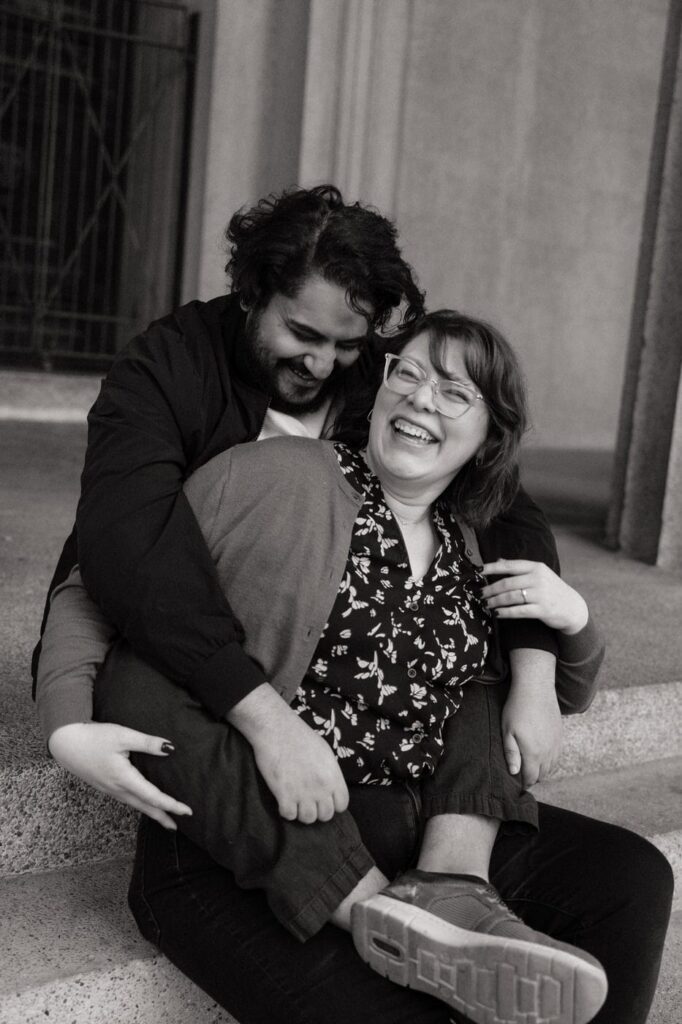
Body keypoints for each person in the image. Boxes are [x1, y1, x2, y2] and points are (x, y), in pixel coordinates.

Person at [37, 312, 672, 1024]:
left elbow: (562, 695)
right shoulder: (269, 475)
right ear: (378, 393)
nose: (423, 397)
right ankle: (396, 915)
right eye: (409, 374)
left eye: (455, 392)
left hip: (419, 827)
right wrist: (64, 718)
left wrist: (569, 628)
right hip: (244, 837)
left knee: (631, 876)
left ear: (489, 436)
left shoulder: (471, 540)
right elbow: (114, 574)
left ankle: (446, 893)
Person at [34, 185, 559, 829]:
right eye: (302, 334)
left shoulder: (374, 376)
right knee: (143, 687)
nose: (321, 363)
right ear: (253, 292)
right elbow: (124, 550)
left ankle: (457, 868)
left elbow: (505, 505)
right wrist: (257, 715)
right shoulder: (166, 365)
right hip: (190, 637)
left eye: (346, 343)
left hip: (329, 659)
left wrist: (536, 673)